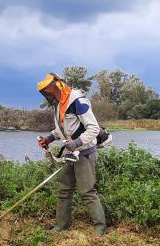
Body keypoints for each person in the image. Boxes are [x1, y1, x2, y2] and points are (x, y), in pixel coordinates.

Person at [37, 72, 107, 235]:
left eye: (49, 89)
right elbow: (63, 129)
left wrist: (76, 143)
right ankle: (61, 226)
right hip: (70, 153)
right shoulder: (58, 104)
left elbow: (93, 128)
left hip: (84, 152)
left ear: (58, 85)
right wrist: (49, 138)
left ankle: (100, 229)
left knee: (87, 191)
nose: (47, 93)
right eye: (45, 90)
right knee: (64, 189)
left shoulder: (78, 101)